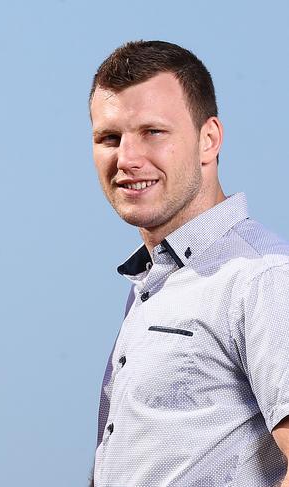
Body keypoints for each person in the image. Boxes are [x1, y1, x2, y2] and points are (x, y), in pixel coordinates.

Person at [89, 40, 289, 486]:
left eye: (153, 132)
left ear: (209, 139)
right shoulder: (160, 282)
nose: (127, 158)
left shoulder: (263, 279)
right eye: (109, 138)